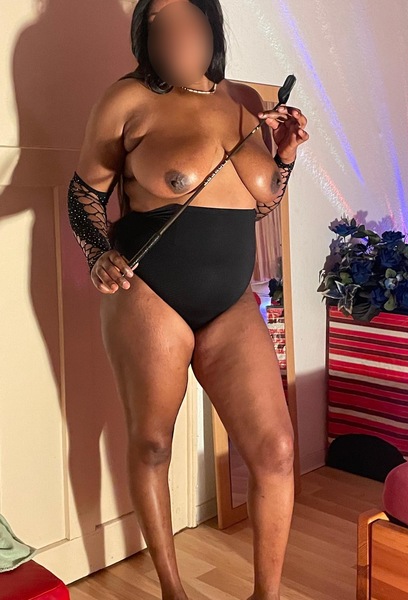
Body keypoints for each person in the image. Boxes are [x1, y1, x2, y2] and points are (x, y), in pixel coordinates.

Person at [67, 0, 309, 598]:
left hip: (230, 303)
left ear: (210, 24)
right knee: (153, 444)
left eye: (182, 18)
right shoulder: (126, 100)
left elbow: (259, 205)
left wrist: (284, 157)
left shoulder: (246, 102)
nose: (170, 32)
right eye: (156, 22)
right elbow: (84, 193)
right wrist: (97, 252)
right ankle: (174, 592)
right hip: (150, 294)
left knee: (277, 450)